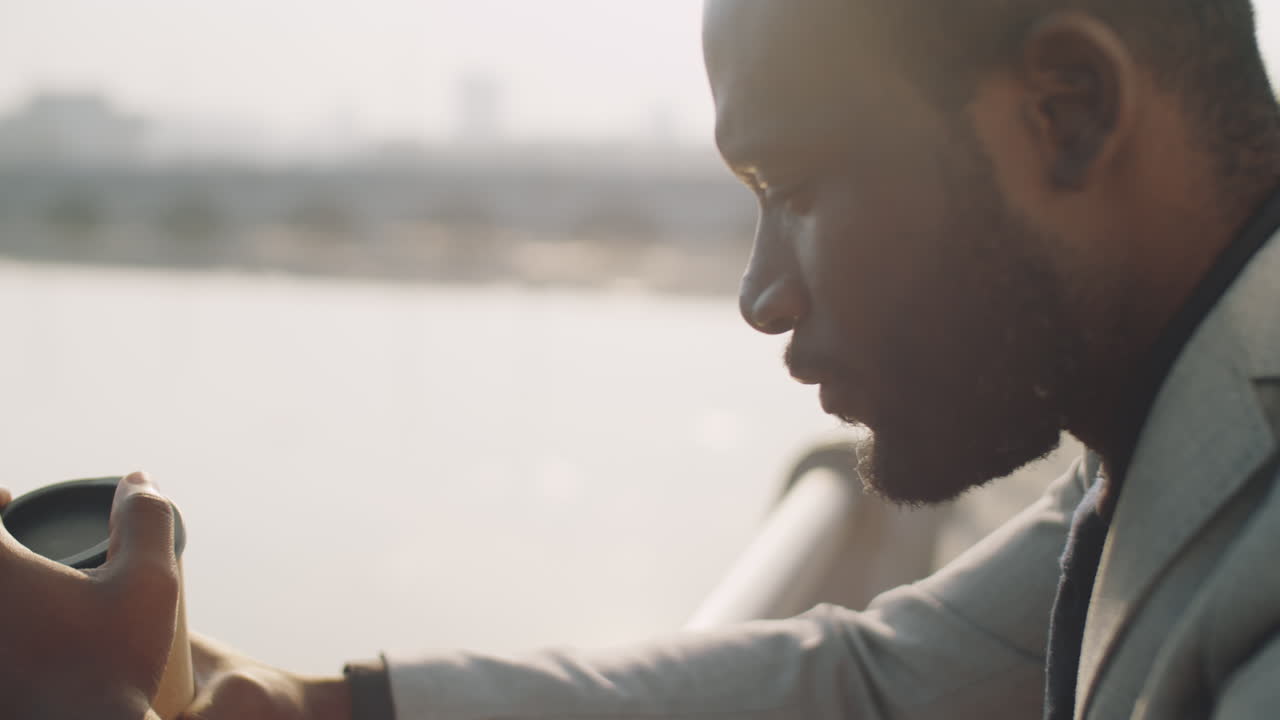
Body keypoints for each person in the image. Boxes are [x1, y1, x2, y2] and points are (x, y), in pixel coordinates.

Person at [3, 0, 1279, 717]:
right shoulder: (1165, 436)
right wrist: (268, 698)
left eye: (799, 187)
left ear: (1068, 113)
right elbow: (874, 688)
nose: (759, 296)